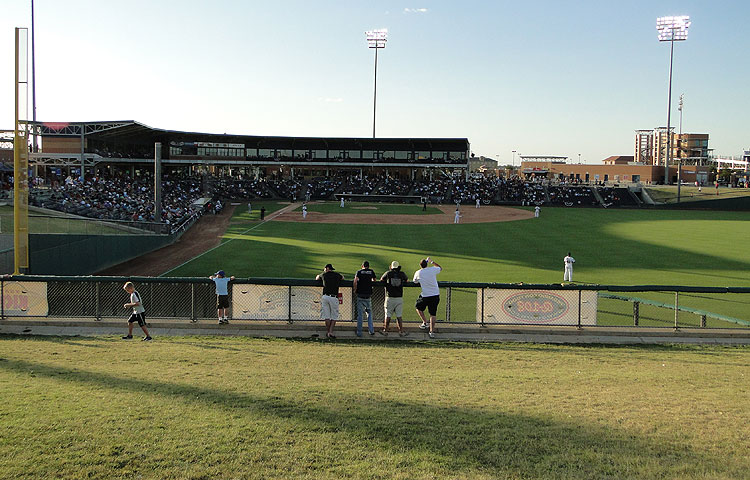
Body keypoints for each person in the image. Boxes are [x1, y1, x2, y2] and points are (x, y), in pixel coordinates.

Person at [413, 257, 442, 338]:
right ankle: (431, 332)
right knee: (433, 314)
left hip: (425, 295)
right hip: (435, 294)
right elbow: (440, 268)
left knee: (418, 307)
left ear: (420, 265)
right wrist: (432, 261)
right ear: (427, 264)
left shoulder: (418, 272)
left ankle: (425, 322)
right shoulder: (432, 270)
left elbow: (415, 281)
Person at [316, 263, 344, 339]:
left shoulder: (324, 275)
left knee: (327, 316)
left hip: (325, 297)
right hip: (334, 297)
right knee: (334, 316)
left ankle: (328, 332)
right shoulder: (337, 275)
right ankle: (330, 332)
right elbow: (343, 278)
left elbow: (317, 278)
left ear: (327, 268)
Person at [380, 260, 408, 336]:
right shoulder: (402, 274)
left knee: (388, 315)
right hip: (399, 297)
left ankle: (385, 330)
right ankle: (401, 331)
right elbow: (407, 280)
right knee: (399, 316)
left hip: (390, 297)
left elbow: (382, 279)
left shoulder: (388, 273)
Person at [353, 260, 377, 337]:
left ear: (362, 266)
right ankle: (371, 330)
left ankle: (359, 332)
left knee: (360, 315)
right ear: (368, 266)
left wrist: (355, 289)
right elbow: (374, 280)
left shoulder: (359, 272)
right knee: (369, 314)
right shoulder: (371, 271)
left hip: (360, 295)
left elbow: (355, 281)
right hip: (368, 295)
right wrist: (371, 287)